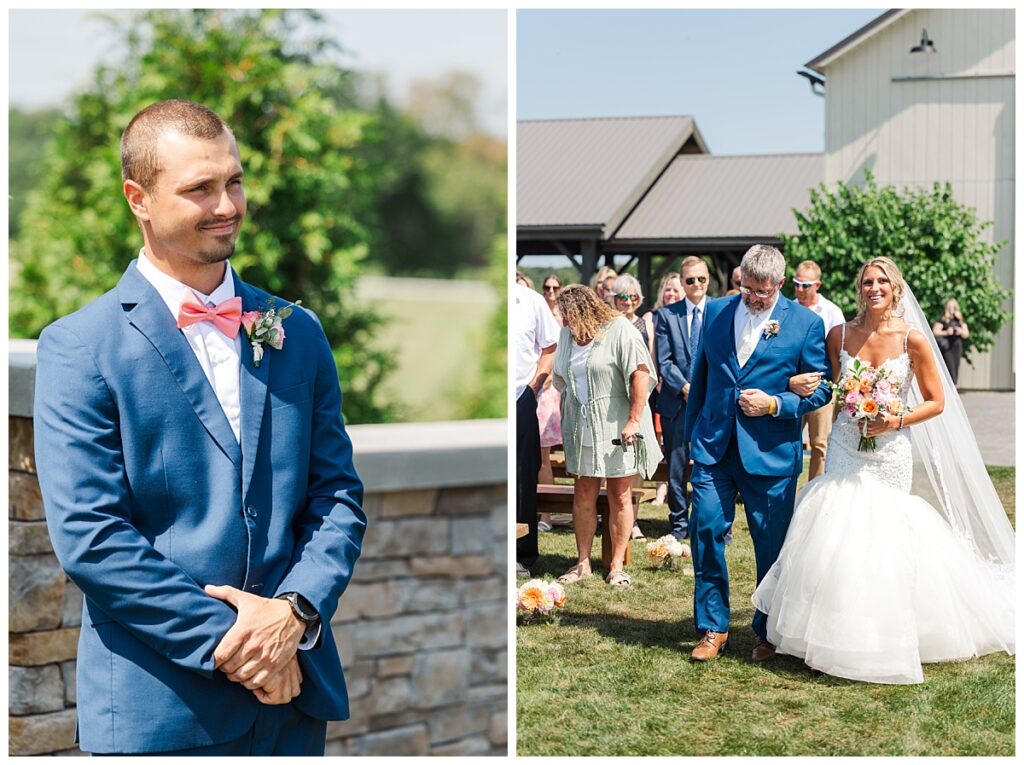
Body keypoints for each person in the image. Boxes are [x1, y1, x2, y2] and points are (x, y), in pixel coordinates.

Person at [33, 99, 366, 755]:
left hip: (290, 707)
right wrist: (240, 645)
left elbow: (338, 497)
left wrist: (296, 612)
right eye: (200, 188)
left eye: (234, 180)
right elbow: (91, 537)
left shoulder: (296, 332)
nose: (228, 204)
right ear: (140, 198)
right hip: (160, 709)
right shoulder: (80, 346)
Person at [754, 257, 1015, 683]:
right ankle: (823, 632)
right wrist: (793, 389)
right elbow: (827, 388)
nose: (873, 288)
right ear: (859, 289)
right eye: (866, 282)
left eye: (881, 282)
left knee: (882, 535)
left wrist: (894, 420)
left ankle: (880, 633)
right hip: (844, 443)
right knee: (835, 529)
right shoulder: (840, 333)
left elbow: (936, 401)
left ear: (895, 288)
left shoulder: (912, 339)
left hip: (890, 449)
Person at [683, 244, 830, 662]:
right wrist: (693, 439)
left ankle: (768, 630)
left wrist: (774, 404)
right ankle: (713, 627)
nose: (752, 298)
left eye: (762, 293)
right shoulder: (715, 312)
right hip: (714, 448)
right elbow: (703, 375)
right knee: (706, 531)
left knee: (771, 545)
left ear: (780, 285)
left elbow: (821, 388)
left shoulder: (805, 323)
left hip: (770, 451)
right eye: (747, 289)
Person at [552, 285, 663, 588]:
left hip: (616, 426)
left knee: (619, 494)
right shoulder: (567, 336)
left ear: (584, 310)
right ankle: (582, 562)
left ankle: (616, 566)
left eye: (568, 315)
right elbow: (561, 376)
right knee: (583, 493)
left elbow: (640, 373)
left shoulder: (619, 329)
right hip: (581, 427)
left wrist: (634, 420)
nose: (564, 322)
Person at [655, 256, 711, 548]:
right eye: (691, 280)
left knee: (708, 466)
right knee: (676, 467)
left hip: (710, 404)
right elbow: (663, 362)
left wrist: (704, 390)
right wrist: (686, 387)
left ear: (708, 279)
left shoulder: (719, 311)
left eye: (701, 279)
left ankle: (707, 521)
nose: (697, 285)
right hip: (677, 402)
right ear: (683, 281)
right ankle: (679, 524)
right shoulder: (667, 315)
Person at [515, 281, 560, 575]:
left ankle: (522, 554)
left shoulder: (531, 300)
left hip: (521, 396)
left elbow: (551, 347)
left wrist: (533, 387)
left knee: (523, 476)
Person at [787, 260, 846, 480]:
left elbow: (840, 352)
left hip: (821, 385)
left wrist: (835, 387)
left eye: (806, 285)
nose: (800, 290)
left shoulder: (831, 312)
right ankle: (786, 492)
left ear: (817, 285)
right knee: (788, 440)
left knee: (819, 443)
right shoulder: (788, 309)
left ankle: (813, 492)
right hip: (792, 385)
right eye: (796, 284)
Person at [644, 272, 683, 505]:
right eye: (668, 289)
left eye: (675, 289)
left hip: (677, 388)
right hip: (657, 387)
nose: (671, 293)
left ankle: (671, 491)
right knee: (659, 441)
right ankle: (660, 489)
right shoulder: (653, 317)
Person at [536, 274, 565, 532]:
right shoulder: (535, 310)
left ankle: (546, 513)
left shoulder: (561, 319)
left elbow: (558, 355)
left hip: (544, 389)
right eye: (547, 287)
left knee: (543, 457)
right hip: (528, 384)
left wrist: (539, 382)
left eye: (556, 287)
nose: (551, 292)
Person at [932, 298, 969, 385]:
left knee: (956, 367)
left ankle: (953, 387)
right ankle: (951, 387)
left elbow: (966, 334)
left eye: (954, 307)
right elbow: (935, 331)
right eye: (950, 307)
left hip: (957, 347)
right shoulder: (943, 319)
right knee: (949, 366)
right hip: (947, 347)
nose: (952, 310)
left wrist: (960, 331)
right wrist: (946, 332)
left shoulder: (959, 320)